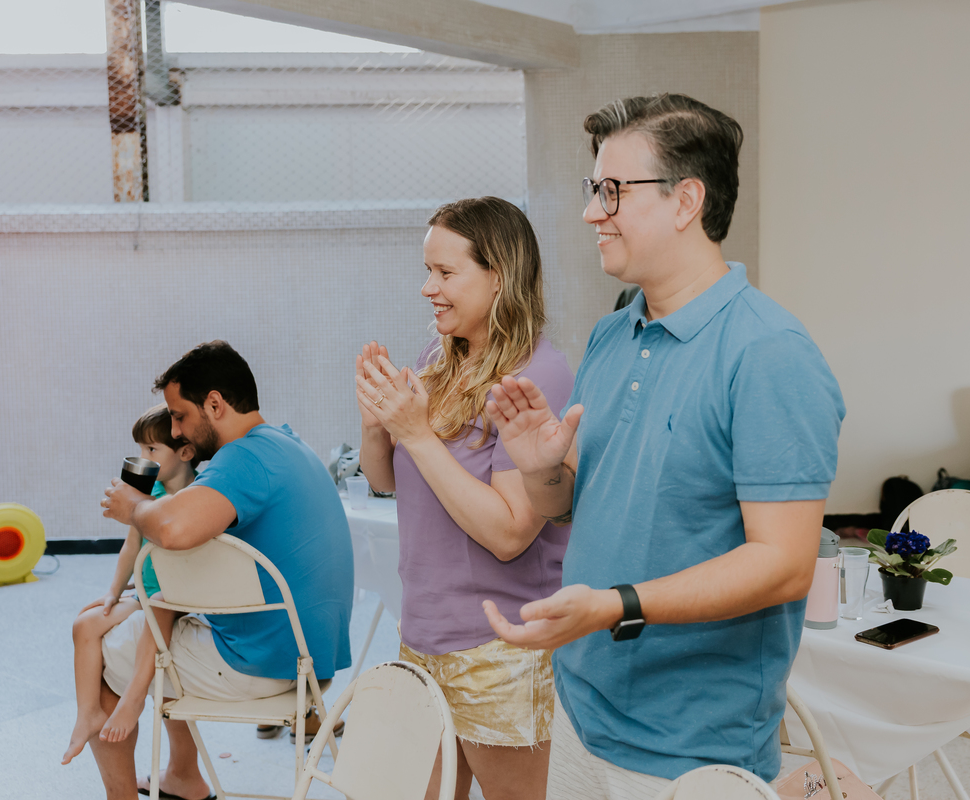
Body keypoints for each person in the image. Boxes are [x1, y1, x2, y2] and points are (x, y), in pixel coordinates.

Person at [481, 94, 846, 798]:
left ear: (686, 201)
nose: (593, 212)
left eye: (612, 191)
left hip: (692, 748)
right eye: (595, 191)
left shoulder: (769, 354)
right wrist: (538, 470)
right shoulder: (613, 335)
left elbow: (785, 565)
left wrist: (616, 605)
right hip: (582, 713)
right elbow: (568, 508)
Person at [355, 196, 574, 800]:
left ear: (499, 275)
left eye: (446, 273)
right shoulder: (439, 357)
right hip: (423, 634)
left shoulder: (537, 375)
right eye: (428, 271)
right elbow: (389, 482)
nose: (428, 288)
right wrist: (378, 425)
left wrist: (417, 434)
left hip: (499, 649)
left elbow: (510, 533)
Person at [96, 341, 354, 800]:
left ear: (214, 404)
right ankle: (181, 775)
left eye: (178, 415)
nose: (175, 432)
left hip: (264, 665)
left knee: (98, 647)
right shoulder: (288, 443)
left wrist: (133, 506)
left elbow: (173, 529)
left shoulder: (243, 458)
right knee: (156, 625)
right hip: (312, 661)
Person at [63, 404, 199, 765]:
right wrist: (113, 590)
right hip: (147, 592)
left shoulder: (197, 498)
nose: (143, 458)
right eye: (140, 450)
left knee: (158, 612)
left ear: (185, 453)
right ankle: (88, 712)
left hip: (181, 596)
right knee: (85, 624)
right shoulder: (147, 493)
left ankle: (133, 698)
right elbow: (131, 546)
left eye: (152, 450)